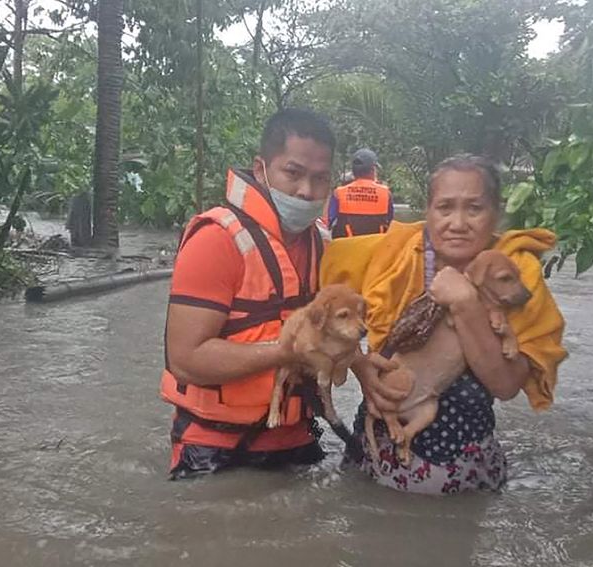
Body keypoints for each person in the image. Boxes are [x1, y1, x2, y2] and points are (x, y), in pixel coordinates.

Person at [323, 154, 568, 494]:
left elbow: (507, 385)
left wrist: (466, 303)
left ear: (495, 214)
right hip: (372, 462)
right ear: (428, 212)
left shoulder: (514, 277)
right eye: (445, 207)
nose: (457, 222)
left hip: (462, 475)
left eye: (474, 208)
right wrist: (359, 365)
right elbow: (316, 322)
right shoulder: (390, 254)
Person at [160, 108, 372, 478]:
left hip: (298, 441)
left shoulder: (325, 246)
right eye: (293, 173)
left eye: (320, 179)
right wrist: (286, 350)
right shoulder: (216, 240)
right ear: (261, 170)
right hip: (215, 448)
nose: (306, 190)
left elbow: (339, 330)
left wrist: (367, 371)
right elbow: (184, 359)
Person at [327, 148, 394, 238]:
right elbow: (391, 223)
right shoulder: (386, 194)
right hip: (376, 248)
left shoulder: (338, 193)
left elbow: (328, 222)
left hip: (346, 247)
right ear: (373, 170)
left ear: (354, 171)